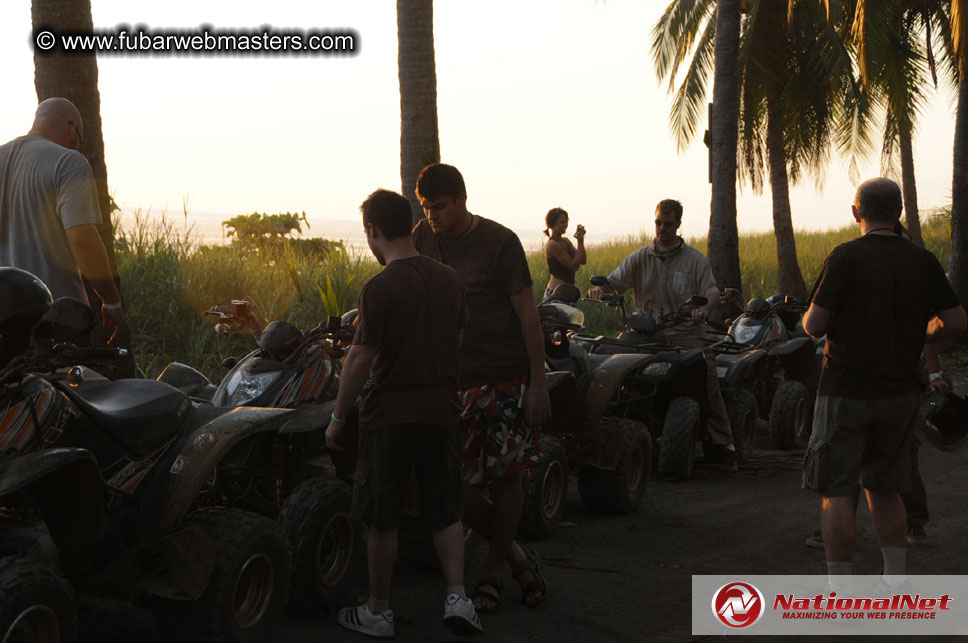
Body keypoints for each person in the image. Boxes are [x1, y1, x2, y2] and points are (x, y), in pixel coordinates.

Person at [325, 189, 482, 638]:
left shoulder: (379, 287)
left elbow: (358, 360)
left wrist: (337, 419)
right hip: (441, 410)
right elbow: (456, 342)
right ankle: (457, 597)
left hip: (389, 413)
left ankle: (378, 610)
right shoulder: (449, 279)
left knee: (381, 514)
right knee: (444, 507)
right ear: (410, 224)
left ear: (372, 231)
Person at [801, 177, 966, 589]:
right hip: (899, 395)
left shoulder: (844, 257)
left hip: (845, 392)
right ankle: (894, 586)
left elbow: (814, 325)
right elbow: (958, 321)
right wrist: (925, 333)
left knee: (839, 490)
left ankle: (840, 590)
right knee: (887, 489)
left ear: (856, 213)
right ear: (899, 215)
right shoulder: (922, 260)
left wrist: (810, 320)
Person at [412, 163, 551, 612]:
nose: (432, 216)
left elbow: (529, 316)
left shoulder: (500, 242)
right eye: (426, 208)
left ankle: (491, 573)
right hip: (453, 381)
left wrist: (538, 383)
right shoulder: (421, 238)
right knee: (459, 485)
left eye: (439, 207)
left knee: (508, 477)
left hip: (507, 375)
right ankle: (515, 555)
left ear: (462, 199)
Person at [587, 198, 737, 469]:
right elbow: (615, 283)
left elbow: (712, 292)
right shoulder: (640, 257)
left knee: (707, 376)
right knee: (607, 369)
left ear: (678, 225)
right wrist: (602, 290)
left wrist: (704, 311)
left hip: (683, 333)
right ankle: (595, 428)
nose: (662, 228)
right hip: (644, 334)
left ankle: (723, 443)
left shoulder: (695, 261)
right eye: (658, 222)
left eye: (668, 224)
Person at [0, 97, 124, 343]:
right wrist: (111, 301)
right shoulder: (68, 162)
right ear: (72, 129)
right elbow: (83, 239)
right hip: (55, 317)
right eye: (79, 139)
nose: (76, 145)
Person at [543, 207, 586, 299]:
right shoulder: (553, 245)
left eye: (566, 222)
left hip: (568, 294)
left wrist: (581, 242)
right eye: (561, 222)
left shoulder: (566, 241)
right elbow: (574, 266)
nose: (565, 225)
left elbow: (583, 260)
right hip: (556, 293)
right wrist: (580, 242)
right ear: (552, 225)